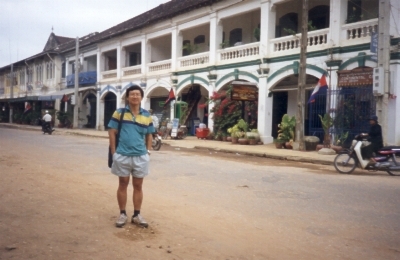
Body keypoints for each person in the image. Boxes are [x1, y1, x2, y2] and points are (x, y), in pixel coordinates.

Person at [108, 85, 154, 228]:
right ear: (127, 97)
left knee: (138, 185)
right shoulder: (119, 113)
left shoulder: (146, 115)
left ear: (141, 97)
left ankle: (136, 215)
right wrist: (114, 152)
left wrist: (148, 151)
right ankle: (122, 214)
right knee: (122, 184)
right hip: (122, 155)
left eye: (137, 94)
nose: (135, 96)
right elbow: (112, 132)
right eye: (132, 94)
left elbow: (149, 134)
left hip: (140, 156)